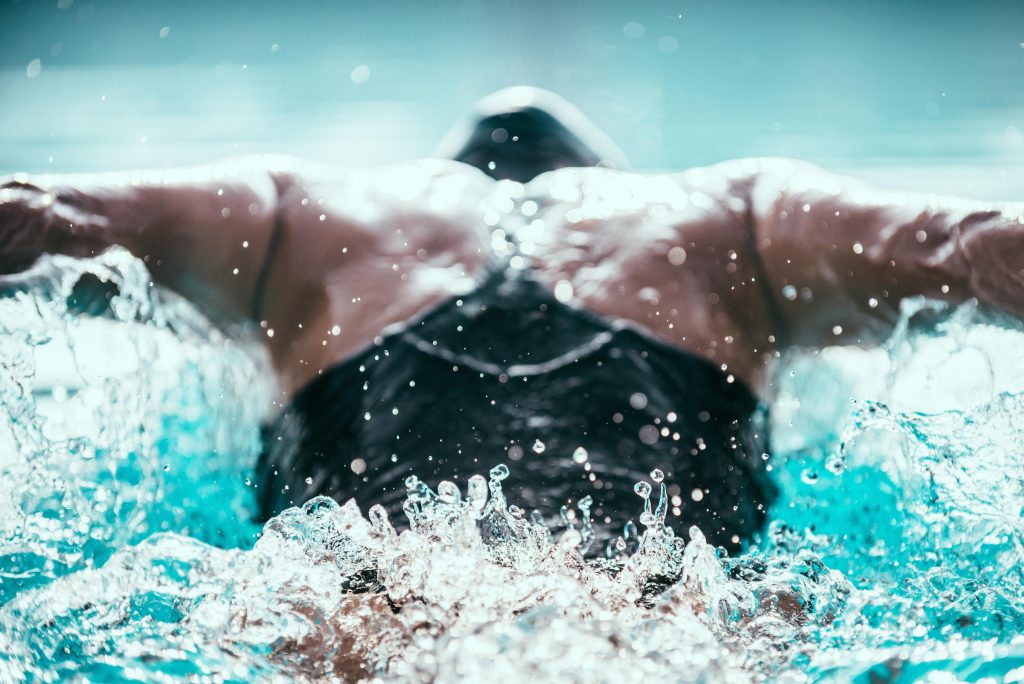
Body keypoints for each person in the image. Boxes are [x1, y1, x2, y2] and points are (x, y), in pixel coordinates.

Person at [2, 86, 1021, 552]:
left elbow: (35, 217)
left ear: (440, 171)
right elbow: (982, 245)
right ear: (604, 176)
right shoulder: (738, 219)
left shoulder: (292, 217)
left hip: (366, 615)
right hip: (668, 629)